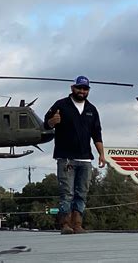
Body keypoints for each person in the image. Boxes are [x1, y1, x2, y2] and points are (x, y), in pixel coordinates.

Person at [44, 75, 105, 234]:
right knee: (67, 192)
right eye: (79, 88)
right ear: (73, 88)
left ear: (88, 90)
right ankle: (65, 224)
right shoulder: (61, 105)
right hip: (66, 158)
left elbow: (96, 134)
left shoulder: (92, 109)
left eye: (85, 89)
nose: (82, 91)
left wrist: (101, 155)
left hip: (85, 158)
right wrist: (53, 122)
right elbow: (46, 123)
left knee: (82, 193)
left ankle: (77, 223)